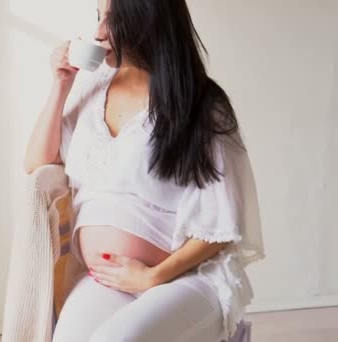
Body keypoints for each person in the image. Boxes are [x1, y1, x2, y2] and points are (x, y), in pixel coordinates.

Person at [23, 0, 265, 341]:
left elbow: (222, 227)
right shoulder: (93, 89)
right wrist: (60, 85)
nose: (98, 32)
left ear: (146, 23)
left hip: (186, 278)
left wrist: (153, 277)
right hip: (109, 280)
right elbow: (36, 163)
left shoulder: (202, 106)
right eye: (98, 17)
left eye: (112, 20)